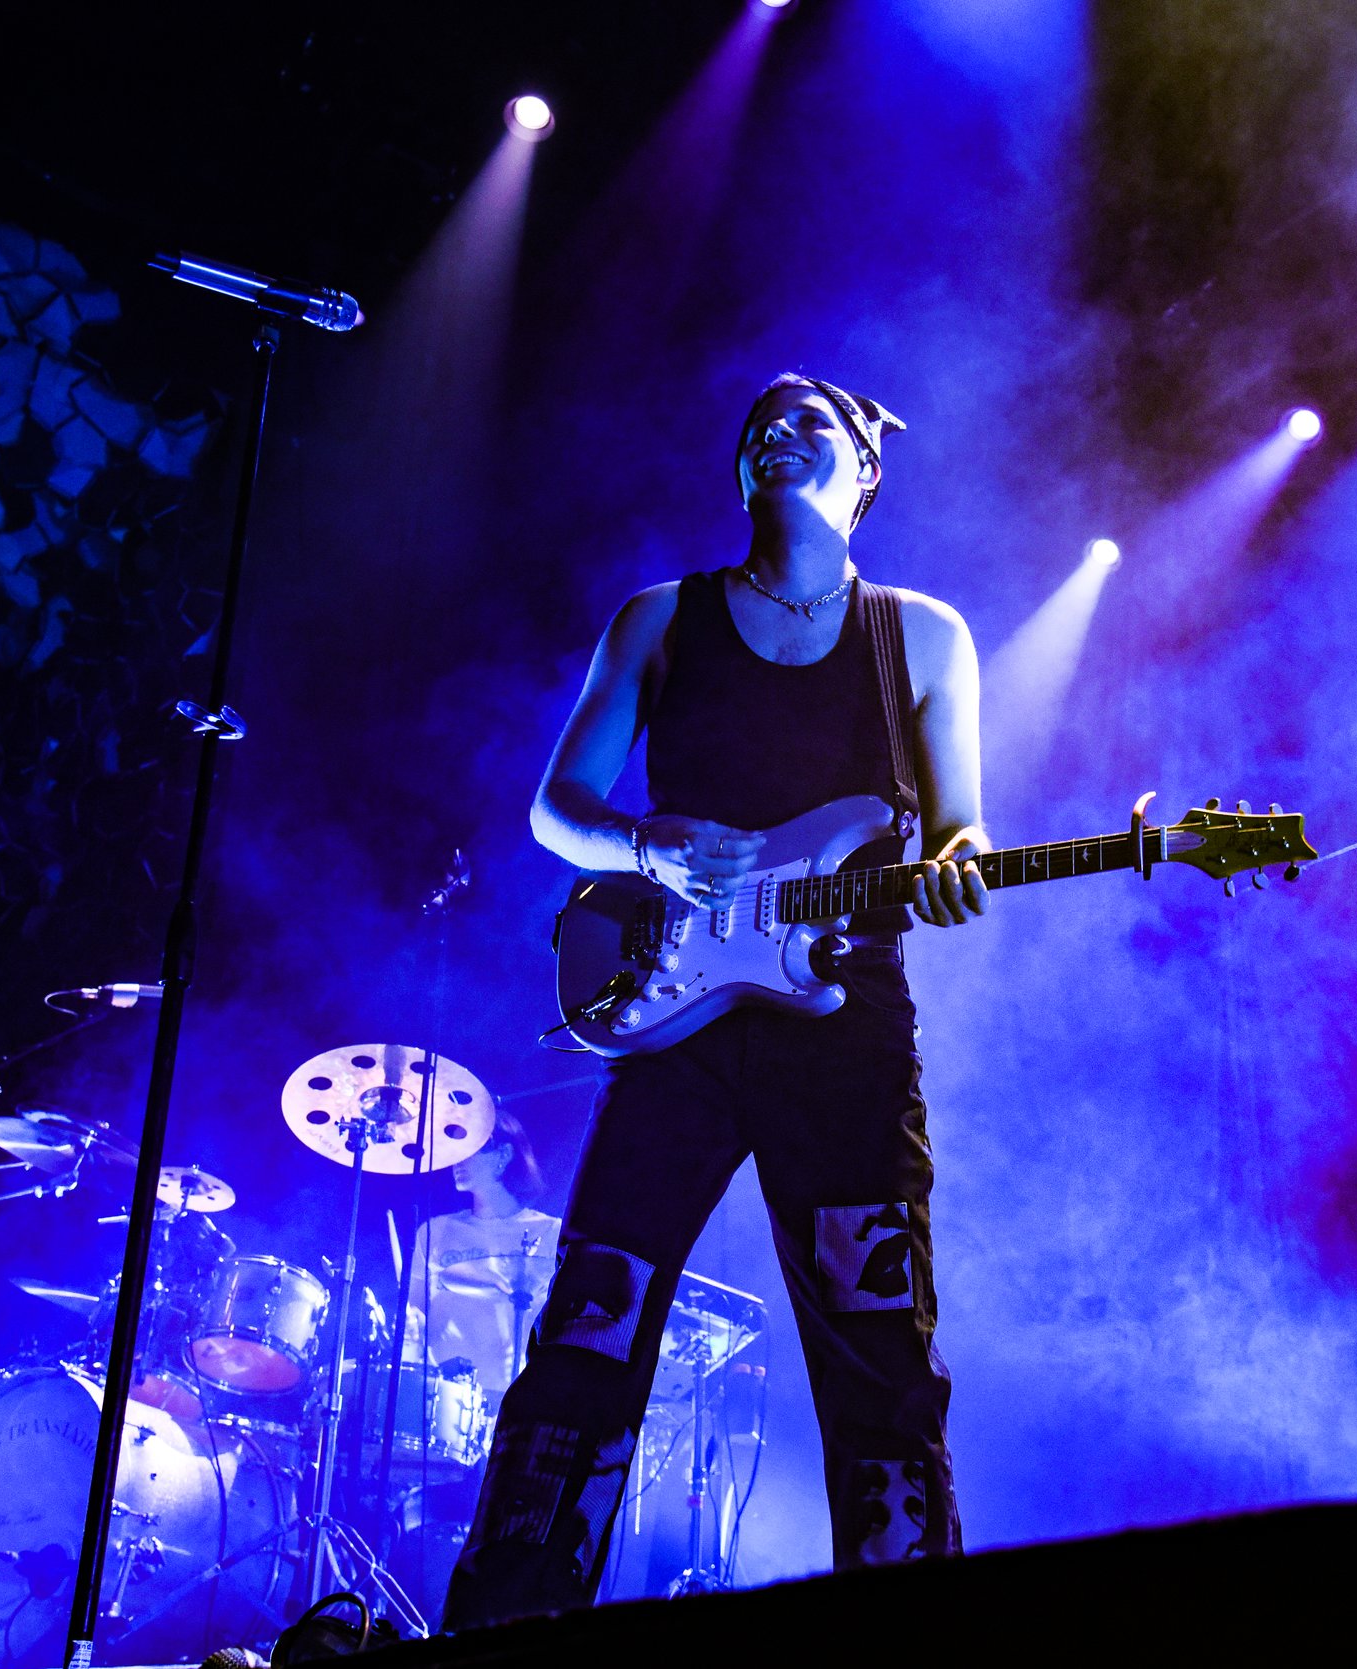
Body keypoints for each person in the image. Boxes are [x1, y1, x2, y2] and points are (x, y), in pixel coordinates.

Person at [443, 372, 988, 1628]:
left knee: (880, 1350)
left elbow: (959, 832)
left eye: (808, 425)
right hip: (674, 1029)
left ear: (865, 472)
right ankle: (508, 1619)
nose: (775, 436)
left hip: (845, 1030)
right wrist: (647, 849)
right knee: (589, 1330)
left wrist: (956, 872)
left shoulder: (922, 634)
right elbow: (555, 808)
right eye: (756, 429)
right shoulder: (661, 618)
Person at [402, 1115, 560, 1402]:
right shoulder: (434, 1231)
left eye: (469, 1148)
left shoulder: (549, 1232)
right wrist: (412, 1324)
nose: (457, 1159)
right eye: (455, 1149)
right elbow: (415, 1310)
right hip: (439, 1398)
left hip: (514, 1395)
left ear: (503, 1154)